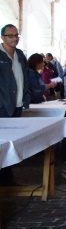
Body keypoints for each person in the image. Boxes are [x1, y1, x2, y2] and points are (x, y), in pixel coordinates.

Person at [0, 24, 30, 186]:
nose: (14, 38)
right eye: (10, 35)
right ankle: (5, 178)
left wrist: (27, 97)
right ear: (3, 37)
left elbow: (25, 78)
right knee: (3, 143)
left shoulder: (20, 55)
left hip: (17, 105)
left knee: (12, 143)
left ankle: (8, 177)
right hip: (3, 106)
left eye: (16, 35)